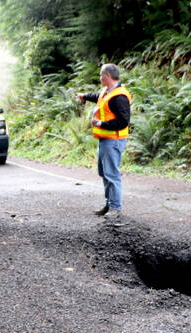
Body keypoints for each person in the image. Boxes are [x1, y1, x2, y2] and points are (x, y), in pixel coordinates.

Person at [77, 64, 132, 219]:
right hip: (105, 140)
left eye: (101, 75)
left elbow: (124, 121)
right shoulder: (107, 92)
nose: (100, 78)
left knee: (111, 173)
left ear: (107, 76)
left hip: (114, 140)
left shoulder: (119, 97)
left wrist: (102, 124)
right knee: (104, 172)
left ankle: (115, 208)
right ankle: (109, 204)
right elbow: (97, 97)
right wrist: (85, 96)